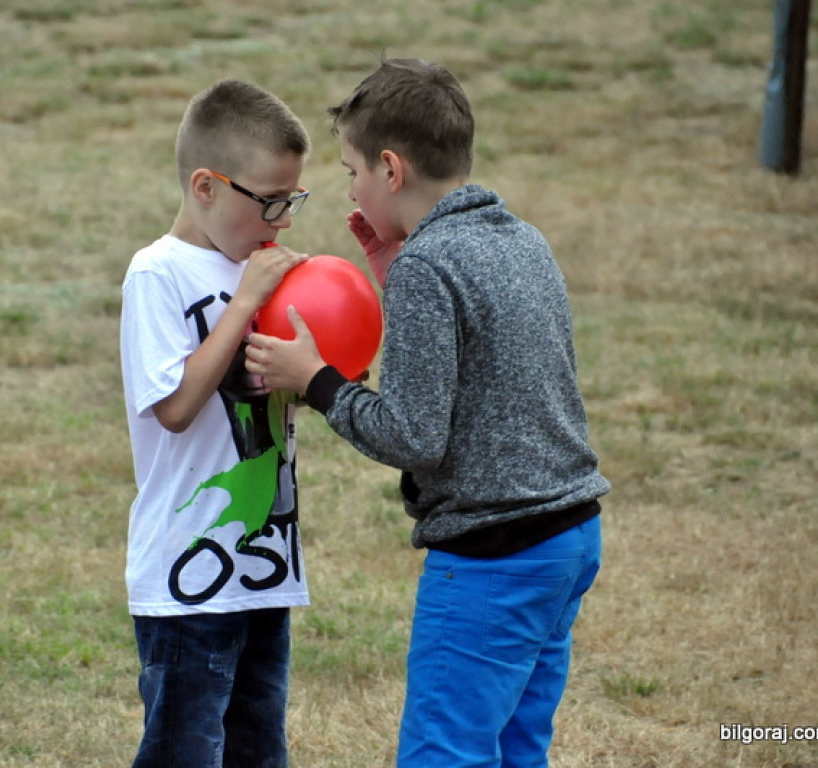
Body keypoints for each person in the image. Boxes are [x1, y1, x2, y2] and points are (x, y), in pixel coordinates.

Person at [245, 58, 610, 768]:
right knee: (515, 746)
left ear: (390, 169)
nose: (348, 187)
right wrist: (390, 270)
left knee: (445, 754)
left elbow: (413, 435)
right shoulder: (521, 240)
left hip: (492, 556)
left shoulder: (429, 268)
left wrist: (314, 380)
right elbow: (484, 365)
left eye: (351, 171)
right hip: (567, 542)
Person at [118, 79, 313, 768]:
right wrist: (243, 306)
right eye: (269, 201)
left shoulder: (259, 273)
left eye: (292, 201)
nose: (282, 221)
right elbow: (173, 408)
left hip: (262, 563)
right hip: (186, 578)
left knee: (259, 751)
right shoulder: (157, 274)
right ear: (206, 185)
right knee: (184, 751)